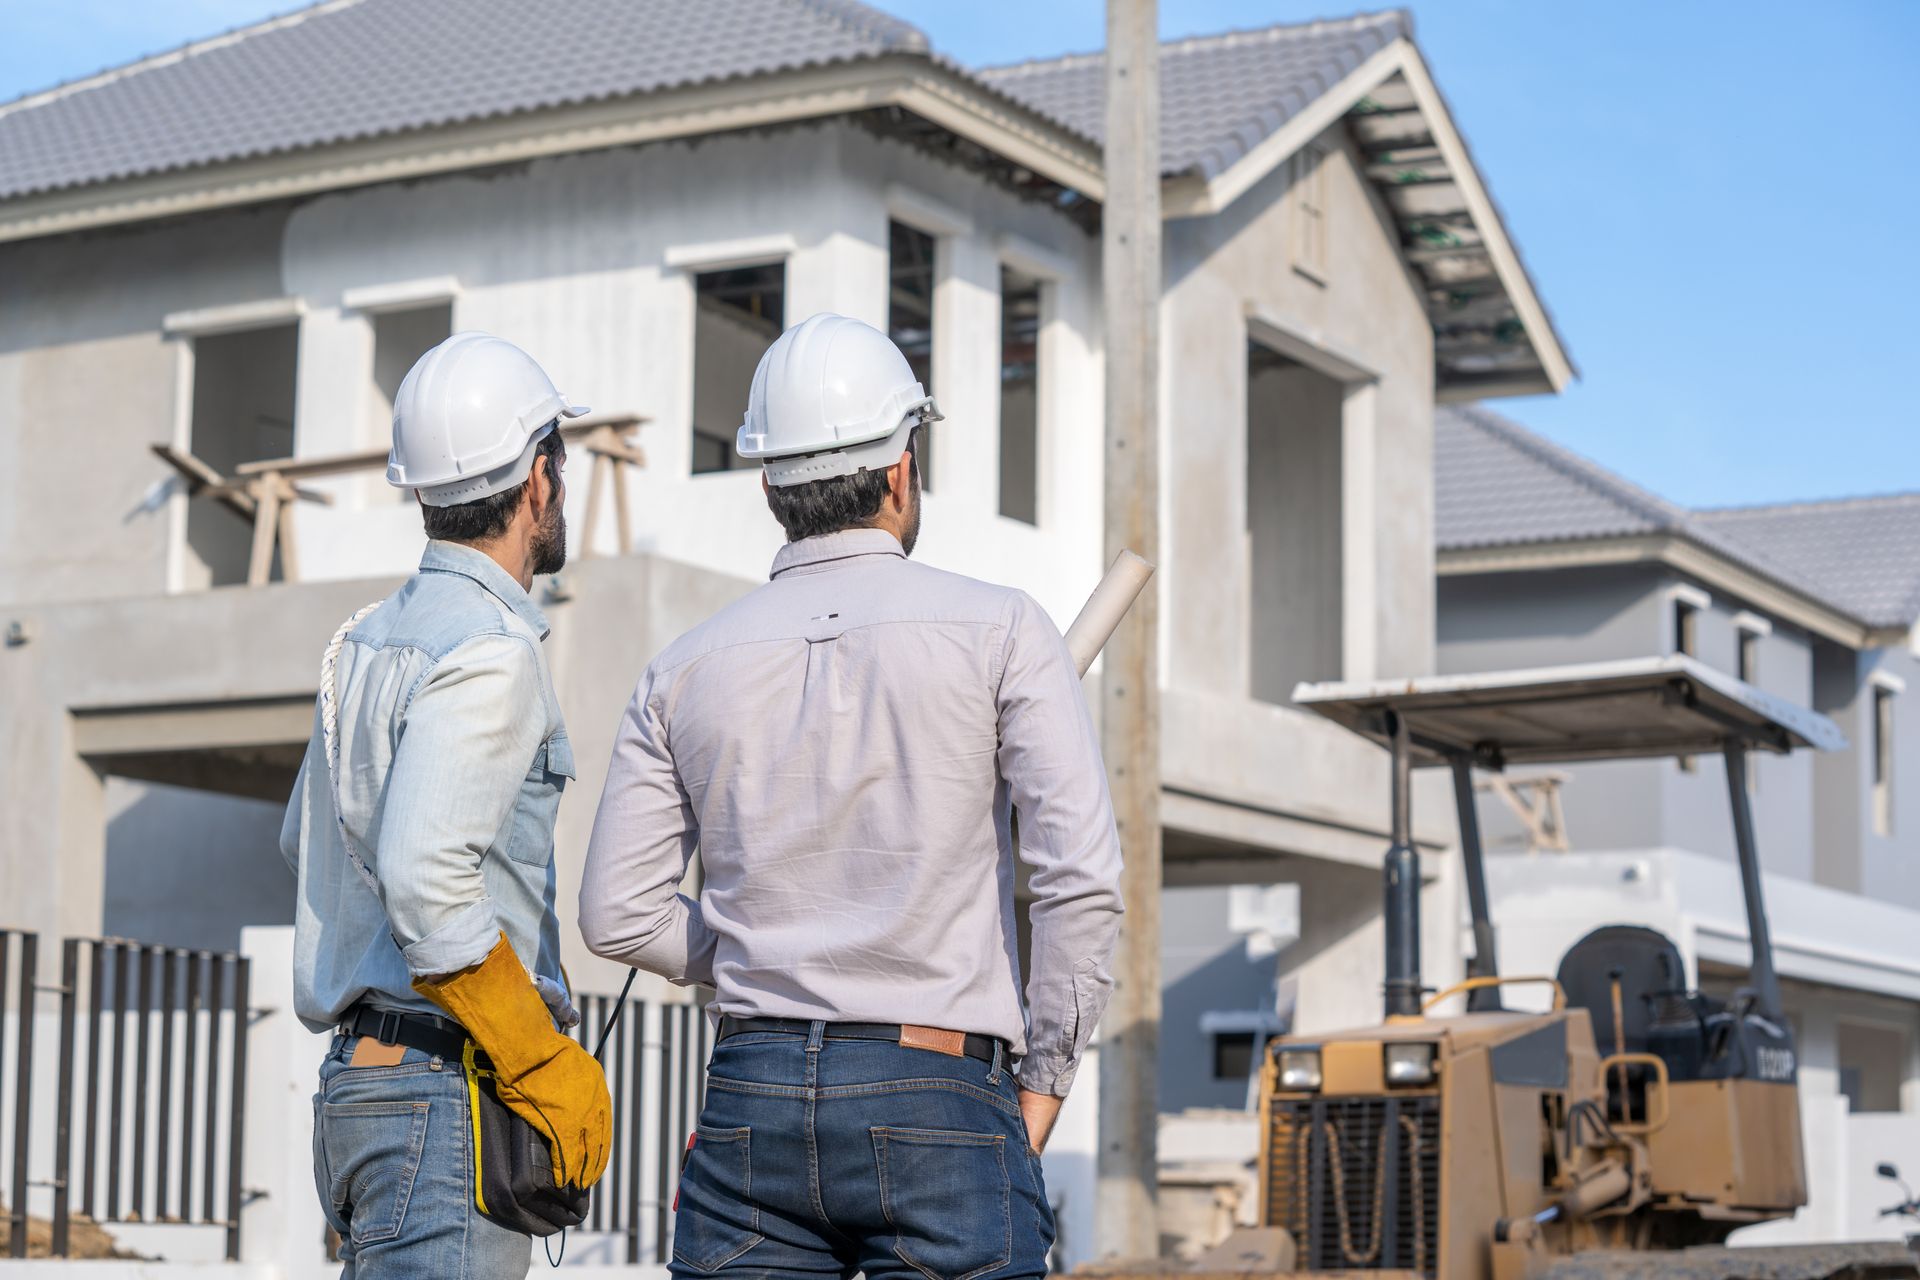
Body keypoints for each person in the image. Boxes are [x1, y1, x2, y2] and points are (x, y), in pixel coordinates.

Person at [580, 312, 1124, 1278]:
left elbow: (616, 916)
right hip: (943, 1091)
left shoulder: (683, 669)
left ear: (767, 483)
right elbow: (1078, 883)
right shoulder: (1002, 631)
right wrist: (1040, 1090)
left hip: (751, 1096)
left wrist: (756, 949)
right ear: (902, 468)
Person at [280, 332, 612, 1278]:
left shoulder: (362, 643)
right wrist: (538, 1055)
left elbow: (305, 844)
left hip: (360, 1088)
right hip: (446, 1091)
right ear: (539, 479)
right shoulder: (492, 649)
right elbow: (425, 880)